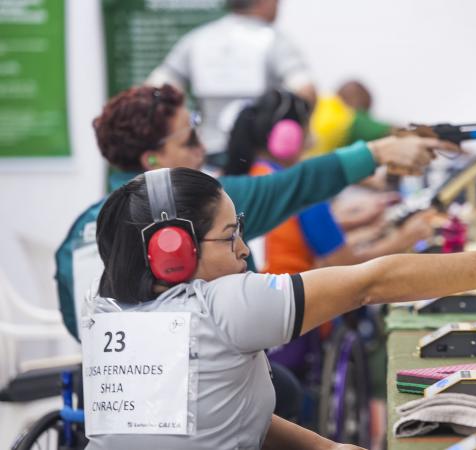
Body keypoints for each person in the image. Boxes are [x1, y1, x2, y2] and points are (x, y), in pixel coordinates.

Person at [82, 167, 476, 449]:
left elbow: (222, 418)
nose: (243, 251)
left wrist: (327, 448)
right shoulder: (222, 305)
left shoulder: (106, 318)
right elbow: (372, 283)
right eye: (231, 236)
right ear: (174, 250)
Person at [55, 83, 453, 342]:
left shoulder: (80, 230)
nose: (201, 144)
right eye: (190, 133)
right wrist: (379, 152)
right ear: (153, 158)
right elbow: (298, 185)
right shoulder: (200, 205)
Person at [223, 89, 433, 274]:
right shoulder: (300, 190)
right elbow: (346, 265)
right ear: (289, 137)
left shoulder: (254, 179)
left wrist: (360, 222)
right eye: (308, 127)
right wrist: (406, 238)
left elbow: (296, 234)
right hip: (302, 313)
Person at [147, 0, 316, 162]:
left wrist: (181, 130)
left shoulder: (198, 38)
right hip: (259, 159)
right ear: (263, 1)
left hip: (206, 154)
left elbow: (155, 88)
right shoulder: (276, 41)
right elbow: (306, 91)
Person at [306, 80, 393, 159]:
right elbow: (391, 133)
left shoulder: (321, 101)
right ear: (357, 102)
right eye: (364, 111)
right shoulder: (346, 118)